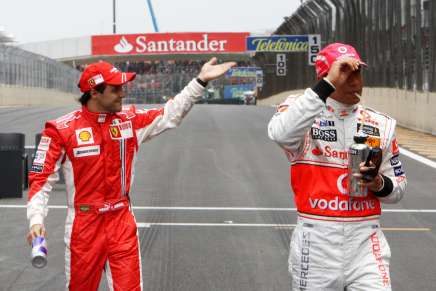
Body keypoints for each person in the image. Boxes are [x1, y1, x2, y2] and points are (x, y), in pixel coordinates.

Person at [26, 58, 236, 291]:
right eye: (115, 89)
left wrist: (200, 81)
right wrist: (36, 220)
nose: (122, 94)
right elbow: (40, 178)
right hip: (83, 226)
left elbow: (171, 113)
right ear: (94, 92)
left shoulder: (131, 120)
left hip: (121, 221)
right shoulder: (60, 130)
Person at [268, 43, 407, 290]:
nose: (355, 81)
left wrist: (378, 183)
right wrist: (326, 85)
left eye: (358, 72)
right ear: (327, 76)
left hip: (366, 240)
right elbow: (280, 134)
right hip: (317, 241)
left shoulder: (380, 124)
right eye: (346, 73)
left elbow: (398, 188)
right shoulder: (299, 111)